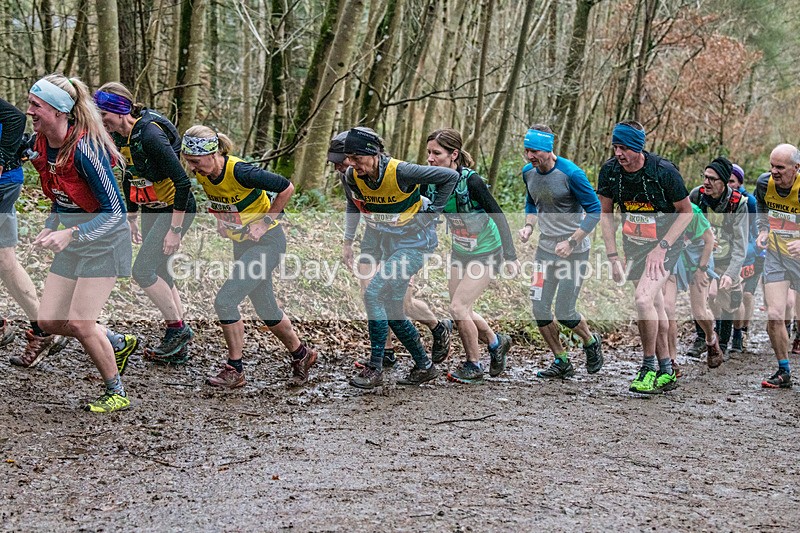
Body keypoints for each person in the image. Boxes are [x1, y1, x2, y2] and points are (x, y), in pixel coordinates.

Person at [27, 74, 134, 413]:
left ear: (59, 111)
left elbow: (116, 212)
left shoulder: (86, 150)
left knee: (81, 323)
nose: (29, 111)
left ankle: (116, 392)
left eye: (36, 105)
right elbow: (62, 197)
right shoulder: (42, 142)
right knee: (48, 321)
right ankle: (115, 341)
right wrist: (50, 227)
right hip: (74, 241)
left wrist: (71, 233)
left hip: (105, 242)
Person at [181, 125, 316, 388]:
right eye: (188, 163)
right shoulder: (205, 173)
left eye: (196, 162)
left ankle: (235, 369)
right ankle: (302, 354)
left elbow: (286, 187)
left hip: (267, 243)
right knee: (266, 309)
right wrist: (222, 220)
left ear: (212, 154)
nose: (193, 168)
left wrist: (264, 222)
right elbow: (222, 199)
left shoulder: (241, 171)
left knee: (226, 300)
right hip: (243, 245)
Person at [342, 127, 459, 389]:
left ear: (372, 154)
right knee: (395, 309)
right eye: (349, 158)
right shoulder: (352, 176)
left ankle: (375, 366)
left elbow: (449, 176)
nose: (352, 164)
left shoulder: (402, 171)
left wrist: (431, 215)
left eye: (357, 158)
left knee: (373, 294)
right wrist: (348, 240)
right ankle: (424, 366)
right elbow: (353, 203)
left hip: (416, 245)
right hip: (390, 244)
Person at [94, 82, 195, 365]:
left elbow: (183, 183)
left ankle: (178, 330)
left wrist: (175, 230)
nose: (101, 121)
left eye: (104, 115)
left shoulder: (149, 134)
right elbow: (129, 175)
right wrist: (132, 217)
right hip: (152, 208)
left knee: (143, 270)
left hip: (176, 209)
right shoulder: (119, 138)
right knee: (162, 270)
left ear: (119, 110)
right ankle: (178, 346)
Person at [598, 120, 692, 394]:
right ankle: (666, 369)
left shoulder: (663, 172)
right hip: (635, 245)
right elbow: (606, 214)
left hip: (666, 245)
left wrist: (662, 246)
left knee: (642, 300)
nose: (618, 153)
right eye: (615, 146)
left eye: (624, 147)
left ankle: (648, 366)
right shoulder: (610, 172)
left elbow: (686, 213)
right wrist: (613, 255)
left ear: (638, 148)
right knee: (655, 305)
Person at [425, 128, 519, 384]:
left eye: (437, 153)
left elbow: (498, 215)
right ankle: (496, 341)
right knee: (459, 307)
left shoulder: (472, 182)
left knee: (459, 307)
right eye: (428, 153)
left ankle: (473, 365)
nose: (430, 159)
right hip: (460, 250)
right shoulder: (429, 181)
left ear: (453, 154)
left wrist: (510, 256)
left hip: (488, 251)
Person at [518, 125, 604, 379]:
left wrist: (572, 242)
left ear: (547, 150)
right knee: (539, 307)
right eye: (526, 150)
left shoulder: (572, 174)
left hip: (574, 252)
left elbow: (595, 211)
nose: (529, 156)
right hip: (544, 249)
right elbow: (531, 202)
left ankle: (590, 342)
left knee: (566, 312)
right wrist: (527, 226)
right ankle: (561, 359)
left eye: (534, 151)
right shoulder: (528, 173)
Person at [0, 96, 68, 366]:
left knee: (5, 260)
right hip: (8, 181)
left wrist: (2, 158)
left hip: (4, 182)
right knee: (5, 261)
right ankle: (43, 327)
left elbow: (15, 118)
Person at [685, 157, 748, 362]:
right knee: (701, 296)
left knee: (725, 298)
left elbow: (741, 244)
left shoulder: (739, 204)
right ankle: (702, 338)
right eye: (705, 177)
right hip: (701, 254)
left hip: (727, 258)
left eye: (712, 179)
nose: (706, 182)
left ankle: (723, 343)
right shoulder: (696, 195)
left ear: (723, 181)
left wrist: (731, 273)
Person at [754, 143, 800, 389]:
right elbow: (761, 208)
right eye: (772, 165)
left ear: (796, 168)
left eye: (780, 167)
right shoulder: (764, 183)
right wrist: (763, 230)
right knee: (774, 314)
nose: (774, 171)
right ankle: (784, 370)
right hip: (776, 255)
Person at [662, 202, 719, 376]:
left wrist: (702, 270)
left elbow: (710, 240)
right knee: (667, 308)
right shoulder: (659, 209)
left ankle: (711, 338)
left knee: (699, 312)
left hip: (698, 258)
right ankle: (672, 361)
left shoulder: (693, 211)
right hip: (674, 258)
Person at [727, 163, 760, 354]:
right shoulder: (718, 199)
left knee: (747, 295)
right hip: (730, 253)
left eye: (733, 181)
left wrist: (755, 250)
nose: (730, 185)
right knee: (731, 295)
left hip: (750, 253)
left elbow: (754, 228)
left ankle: (743, 331)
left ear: (740, 182)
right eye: (727, 181)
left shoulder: (750, 202)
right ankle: (729, 331)